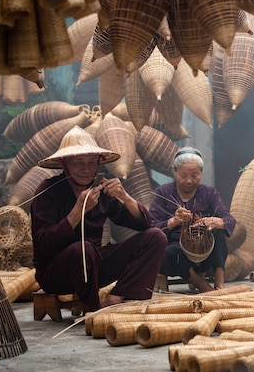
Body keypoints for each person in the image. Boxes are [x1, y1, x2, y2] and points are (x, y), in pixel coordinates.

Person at [31, 126, 167, 312]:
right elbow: (45, 245)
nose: (86, 170)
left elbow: (143, 224)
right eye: (79, 163)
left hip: (94, 266)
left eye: (92, 163)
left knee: (156, 236)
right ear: (65, 164)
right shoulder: (48, 191)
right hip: (56, 272)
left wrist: (124, 196)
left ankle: (119, 297)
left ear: (99, 163)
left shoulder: (100, 189)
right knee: (83, 249)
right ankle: (93, 309)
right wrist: (78, 210)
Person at [149, 147, 235, 292]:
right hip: (174, 257)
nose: (189, 180)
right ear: (175, 172)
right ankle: (201, 285)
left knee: (218, 234)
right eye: (183, 175)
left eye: (195, 175)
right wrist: (174, 221)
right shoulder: (162, 193)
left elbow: (229, 220)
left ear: (201, 173)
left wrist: (217, 222)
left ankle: (219, 280)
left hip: (204, 252)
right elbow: (151, 227)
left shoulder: (209, 193)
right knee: (172, 251)